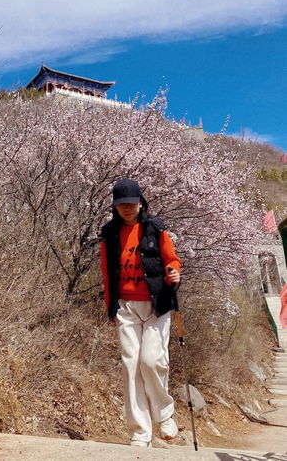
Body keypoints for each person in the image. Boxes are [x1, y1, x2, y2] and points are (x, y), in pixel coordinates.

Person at [100, 178, 181, 447]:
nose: (126, 208)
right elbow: (106, 272)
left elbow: (171, 258)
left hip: (156, 304)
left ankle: (164, 414)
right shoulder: (109, 233)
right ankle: (140, 431)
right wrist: (110, 306)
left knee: (151, 360)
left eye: (131, 203)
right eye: (121, 204)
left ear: (140, 203)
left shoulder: (155, 228)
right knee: (130, 365)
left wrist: (174, 271)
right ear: (115, 206)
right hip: (125, 306)